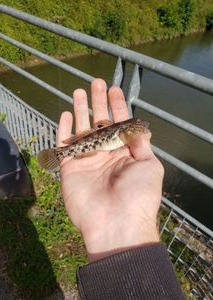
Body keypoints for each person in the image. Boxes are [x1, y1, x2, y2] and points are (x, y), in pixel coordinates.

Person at [57, 78, 184, 299]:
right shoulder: (119, 133)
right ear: (127, 131)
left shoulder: (124, 133)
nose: (141, 132)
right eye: (136, 129)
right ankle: (61, 153)